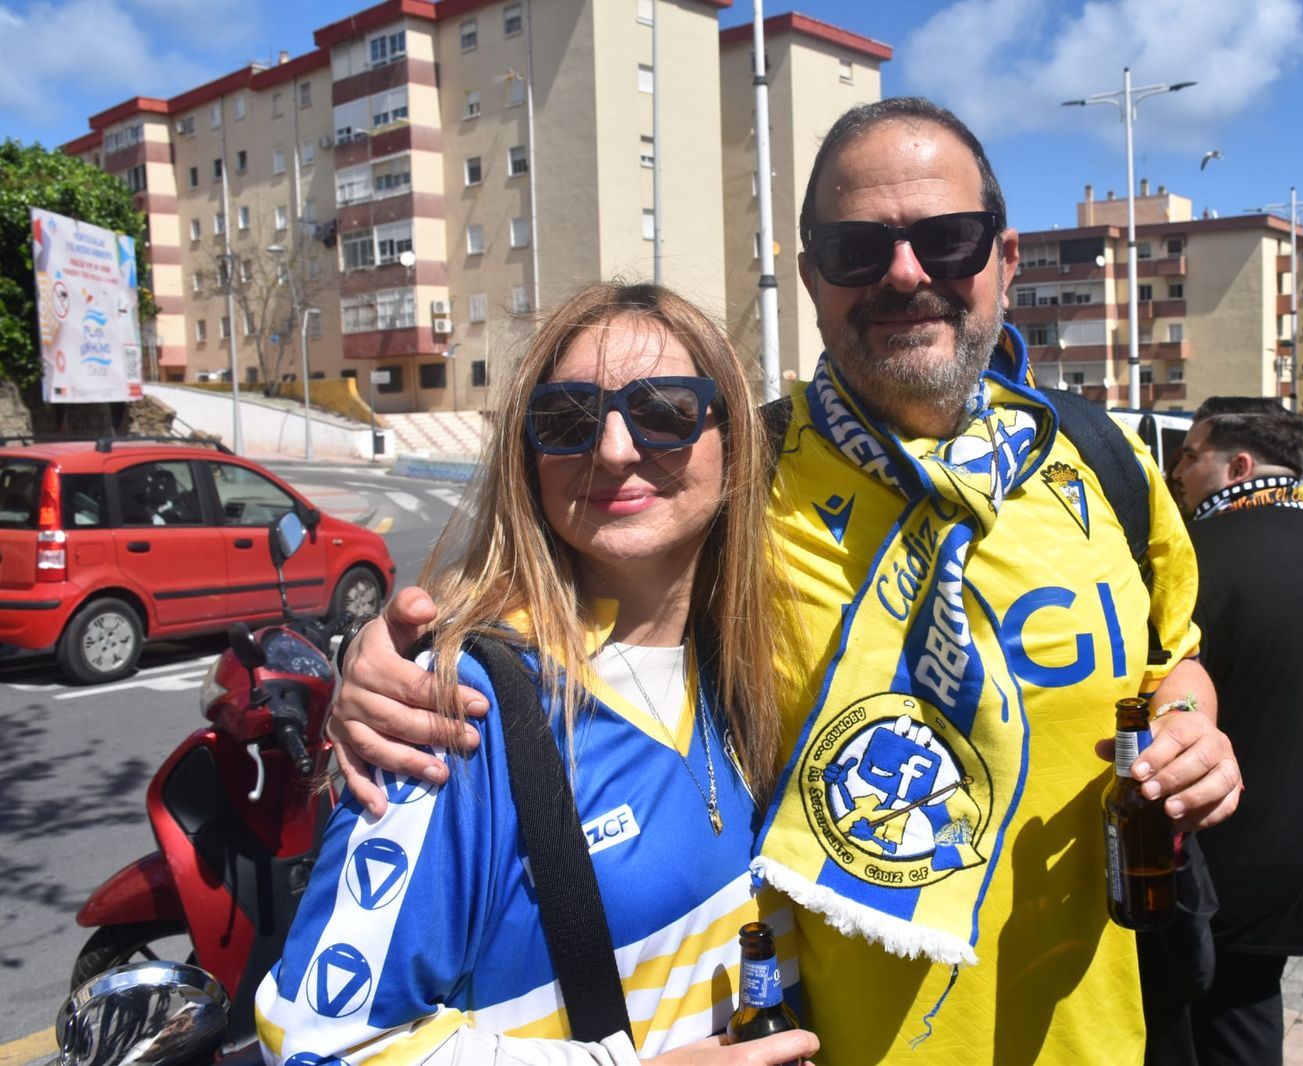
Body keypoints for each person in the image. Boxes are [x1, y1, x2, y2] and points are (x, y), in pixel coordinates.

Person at [328, 98, 1243, 1065]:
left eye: (948, 238)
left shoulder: (1103, 463)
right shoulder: (728, 470)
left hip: (1109, 1034)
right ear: (811, 278)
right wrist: (385, 667)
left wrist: (1194, 725)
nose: (905, 273)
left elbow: (1173, 661)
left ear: (1004, 260)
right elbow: (551, 567)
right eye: (858, 247)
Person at [257, 284, 820, 1065]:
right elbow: (318, 1043)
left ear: (734, 437)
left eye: (664, 409)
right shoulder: (460, 704)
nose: (616, 448)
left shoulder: (768, 651)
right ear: (530, 459)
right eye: (567, 419)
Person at [1171, 398, 1303, 1066]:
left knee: (1205, 1028)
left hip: (1216, 866)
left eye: (1189, 454)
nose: (1177, 470)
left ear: (1236, 464)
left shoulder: (1199, 556)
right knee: (1246, 1012)